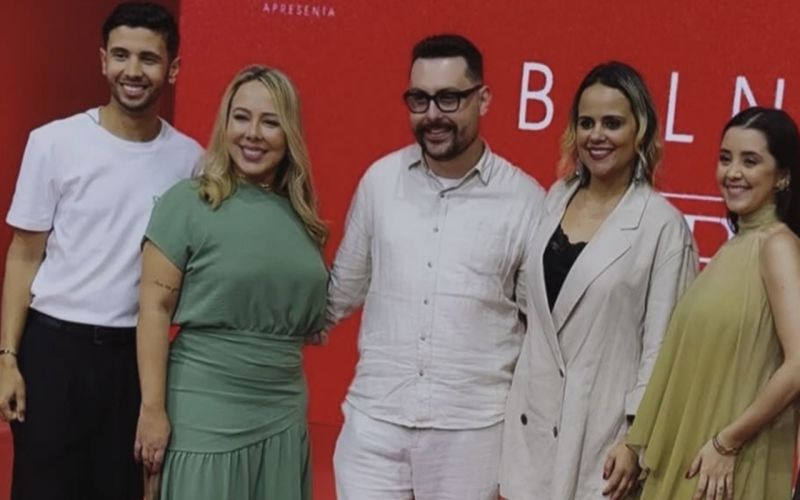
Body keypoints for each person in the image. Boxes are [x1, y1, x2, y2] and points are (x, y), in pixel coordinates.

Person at [326, 34, 545, 500]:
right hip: (374, 427)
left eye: (449, 98)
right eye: (419, 99)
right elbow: (340, 292)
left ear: (483, 99)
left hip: (471, 435)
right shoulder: (379, 182)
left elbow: (539, 326)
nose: (432, 115)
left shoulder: (526, 201)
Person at [0, 3, 201, 498]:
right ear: (102, 61)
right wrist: (7, 358)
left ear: (172, 69)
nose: (133, 71)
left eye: (149, 59)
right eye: (121, 55)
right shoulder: (53, 142)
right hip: (51, 353)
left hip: (133, 360)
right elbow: (23, 255)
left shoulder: (191, 161)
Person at [499, 61, 698, 500]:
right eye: (586, 123)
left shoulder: (663, 225)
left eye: (613, 123)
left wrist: (635, 441)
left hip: (603, 445)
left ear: (640, 131)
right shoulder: (555, 199)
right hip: (529, 437)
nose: (597, 135)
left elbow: (661, 350)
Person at [134, 65, 328, 500]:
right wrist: (152, 410)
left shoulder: (302, 216)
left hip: (283, 406)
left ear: (290, 132)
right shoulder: (187, 202)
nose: (253, 133)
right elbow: (153, 311)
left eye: (270, 121)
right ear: (225, 123)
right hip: (204, 405)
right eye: (241, 117)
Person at [627, 106, 800, 499]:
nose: (732, 172)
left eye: (750, 161)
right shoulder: (733, 248)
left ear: (783, 175)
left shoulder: (778, 246)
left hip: (729, 464)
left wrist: (728, 441)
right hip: (701, 457)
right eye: (725, 159)